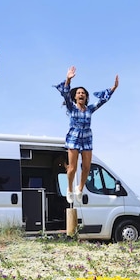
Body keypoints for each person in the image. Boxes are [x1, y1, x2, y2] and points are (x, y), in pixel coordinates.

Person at [55, 66, 118, 203]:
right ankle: (70, 189)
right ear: (75, 97)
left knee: (87, 167)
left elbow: (102, 101)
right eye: (78, 93)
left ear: (86, 96)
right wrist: (68, 79)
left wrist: (113, 88)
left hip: (87, 137)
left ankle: (80, 188)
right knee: (72, 168)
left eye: (83, 93)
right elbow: (65, 93)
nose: (81, 94)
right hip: (74, 136)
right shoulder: (71, 107)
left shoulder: (89, 109)